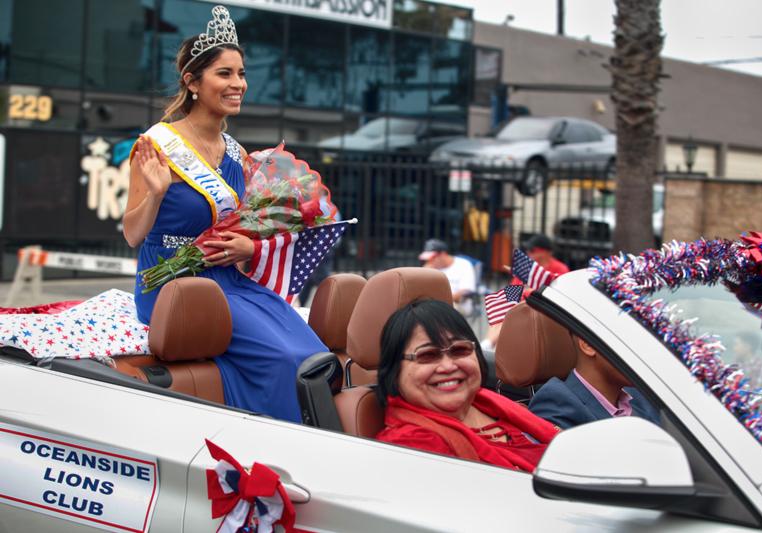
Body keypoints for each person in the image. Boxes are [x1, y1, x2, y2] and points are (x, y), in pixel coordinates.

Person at [123, 5, 326, 423]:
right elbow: (131, 233)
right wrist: (156, 194)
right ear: (192, 82)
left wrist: (247, 245)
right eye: (224, 74)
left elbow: (241, 222)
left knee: (313, 355)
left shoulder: (236, 153)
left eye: (241, 73)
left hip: (228, 279)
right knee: (285, 358)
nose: (239, 84)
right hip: (175, 282)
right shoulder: (158, 144)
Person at [375, 299, 559, 472]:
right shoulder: (409, 448)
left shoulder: (496, 405)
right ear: (394, 370)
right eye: (428, 355)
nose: (448, 366)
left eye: (459, 350)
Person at [528, 335, 659, 430]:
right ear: (588, 345)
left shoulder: (640, 395)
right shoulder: (557, 405)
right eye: (627, 342)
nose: (640, 353)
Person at [419, 239, 477, 316]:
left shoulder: (463, 265)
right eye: (428, 259)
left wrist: (438, 301)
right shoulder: (431, 268)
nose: (430, 261)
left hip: (458, 305)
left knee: (433, 311)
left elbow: (465, 291)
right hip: (433, 304)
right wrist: (425, 273)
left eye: (433, 258)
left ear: (443, 254)